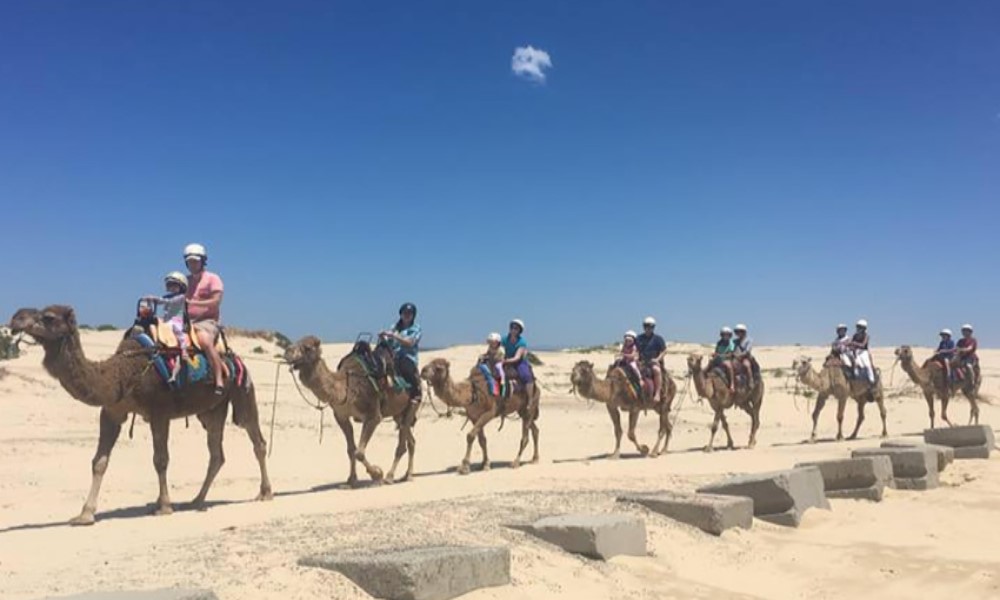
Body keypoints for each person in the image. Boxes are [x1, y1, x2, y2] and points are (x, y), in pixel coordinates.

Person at [183, 243, 226, 395]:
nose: (192, 264)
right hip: (186, 320)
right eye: (189, 261)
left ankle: (218, 378)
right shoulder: (184, 281)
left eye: (195, 261)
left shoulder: (213, 279)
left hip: (207, 322)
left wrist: (192, 303)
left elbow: (216, 301)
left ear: (202, 261)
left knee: (204, 340)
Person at [144, 272, 189, 383]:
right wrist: (150, 302)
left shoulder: (181, 297)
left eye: (174, 285)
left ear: (181, 286)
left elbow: (167, 301)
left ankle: (184, 350)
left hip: (176, 322)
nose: (172, 288)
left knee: (179, 333)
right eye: (170, 285)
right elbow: (161, 301)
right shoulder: (167, 296)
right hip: (166, 321)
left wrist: (155, 298)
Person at [380, 302, 423, 405]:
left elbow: (410, 342)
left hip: (407, 357)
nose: (407, 315)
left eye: (409, 313)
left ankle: (416, 393)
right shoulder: (394, 327)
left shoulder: (416, 329)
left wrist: (394, 336)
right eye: (404, 313)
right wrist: (383, 337)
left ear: (413, 315)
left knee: (405, 364)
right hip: (392, 356)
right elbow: (389, 343)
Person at [501, 319, 535, 402]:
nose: (513, 330)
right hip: (505, 360)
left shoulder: (521, 342)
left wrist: (505, 361)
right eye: (512, 327)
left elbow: (517, 357)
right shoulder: (504, 339)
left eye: (516, 328)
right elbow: (499, 348)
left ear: (519, 330)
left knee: (526, 376)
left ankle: (530, 399)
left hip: (518, 362)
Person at [635, 316, 667, 400]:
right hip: (641, 361)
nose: (648, 328)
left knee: (656, 370)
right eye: (646, 326)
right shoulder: (639, 338)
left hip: (653, 362)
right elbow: (636, 350)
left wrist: (657, 359)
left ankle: (657, 393)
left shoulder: (658, 339)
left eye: (650, 327)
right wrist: (636, 357)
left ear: (653, 327)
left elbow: (664, 351)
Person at [710, 326, 737, 392]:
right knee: (709, 364)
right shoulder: (719, 343)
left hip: (727, 359)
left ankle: (732, 384)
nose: (725, 336)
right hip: (719, 359)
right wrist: (714, 354)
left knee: (729, 366)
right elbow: (716, 351)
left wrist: (720, 355)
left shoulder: (731, 343)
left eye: (727, 334)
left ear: (729, 335)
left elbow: (730, 354)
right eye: (724, 334)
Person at [848, 319, 874, 385]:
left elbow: (863, 345)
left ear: (864, 328)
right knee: (856, 366)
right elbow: (850, 342)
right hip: (856, 352)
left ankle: (872, 380)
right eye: (858, 327)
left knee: (867, 365)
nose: (858, 328)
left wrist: (854, 343)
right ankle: (857, 380)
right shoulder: (855, 335)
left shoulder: (866, 336)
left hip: (864, 352)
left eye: (860, 327)